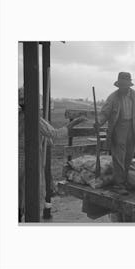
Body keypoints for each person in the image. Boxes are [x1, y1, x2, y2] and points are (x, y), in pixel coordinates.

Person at [19, 87, 87, 221]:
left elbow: (47, 138)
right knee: (28, 195)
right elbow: (54, 134)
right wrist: (73, 123)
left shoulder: (19, 115)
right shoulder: (34, 118)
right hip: (27, 161)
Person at [95, 72, 135, 192]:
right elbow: (104, 113)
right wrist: (99, 122)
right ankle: (118, 185)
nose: (123, 88)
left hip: (132, 129)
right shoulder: (113, 97)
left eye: (125, 85)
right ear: (118, 85)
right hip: (118, 129)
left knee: (128, 157)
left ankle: (123, 181)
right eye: (121, 85)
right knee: (119, 158)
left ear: (129, 85)